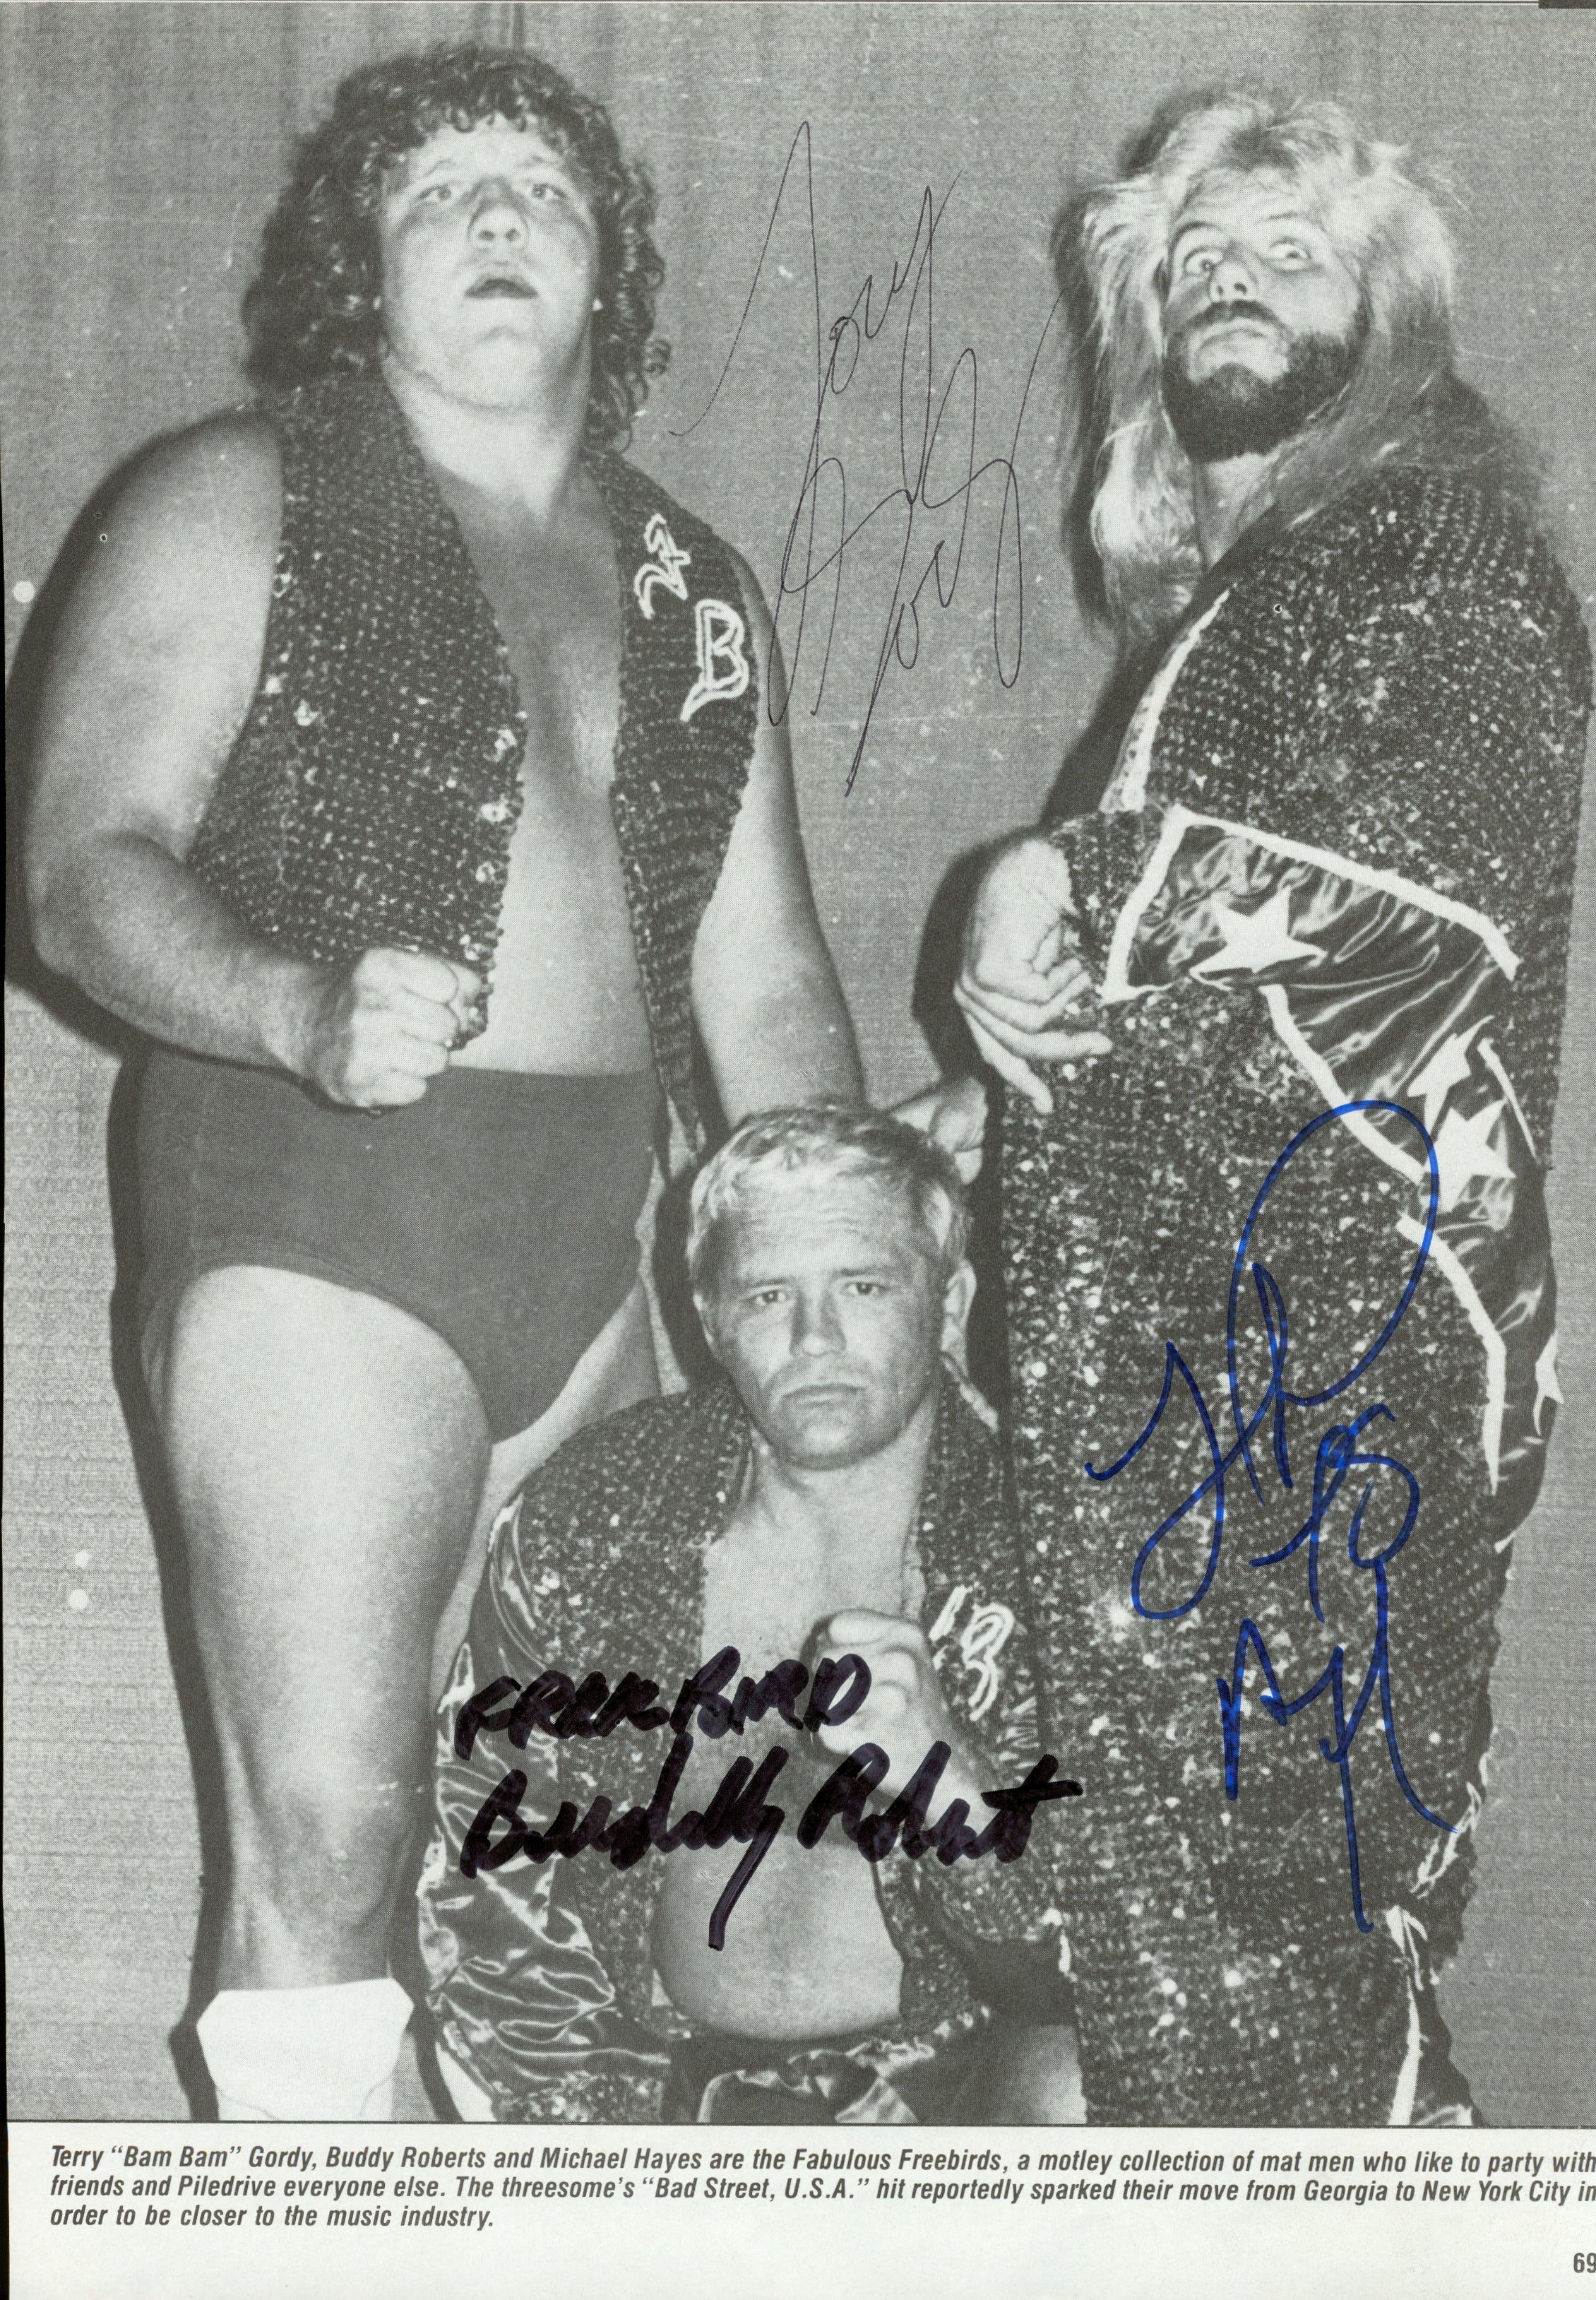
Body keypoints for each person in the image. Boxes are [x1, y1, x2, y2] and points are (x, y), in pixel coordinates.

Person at [22, 43, 861, 2121]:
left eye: (543, 190)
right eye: (440, 191)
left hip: (605, 1249)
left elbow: (768, 980)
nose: (498, 217)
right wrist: (295, 1003)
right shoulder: (232, 491)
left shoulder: (696, 585)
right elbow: (78, 868)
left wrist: (840, 1234)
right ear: (362, 265)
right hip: (322, 1196)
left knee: (585, 1885)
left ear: (608, 270)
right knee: (331, 1821)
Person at [954, 94, 1591, 2123]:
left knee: (1278, 1952)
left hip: (1344, 1360)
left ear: (1389, 315)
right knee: (1196, 1981)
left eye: (1288, 253)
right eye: (1194, 265)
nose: (1228, 285)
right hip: (1203, 1369)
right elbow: (1206, 1028)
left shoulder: (1436, 541)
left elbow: (1431, 904)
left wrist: (1064, 876)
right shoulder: (1269, 590)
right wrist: (971, 1113)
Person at [420, 1105, 1081, 2123]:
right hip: (665, 2102)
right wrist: (590, 2140)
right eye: (770, 1295)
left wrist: (952, 1787)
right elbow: (491, 1869)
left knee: (1071, 2085)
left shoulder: (1051, 1545)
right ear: (710, 1319)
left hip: (960, 2101)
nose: (816, 1340)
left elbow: (1108, 1972)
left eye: (863, 1286)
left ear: (950, 1301)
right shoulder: (598, 1511)